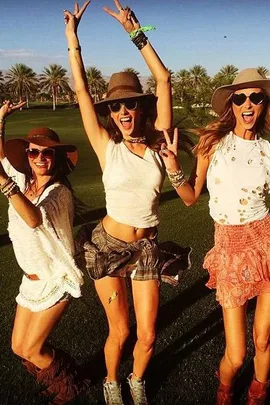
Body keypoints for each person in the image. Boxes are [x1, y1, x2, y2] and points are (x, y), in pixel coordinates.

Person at [63, 1, 187, 404]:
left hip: (146, 248)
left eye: (130, 103)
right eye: (115, 106)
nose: (123, 111)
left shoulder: (157, 143)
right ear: (110, 113)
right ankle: (112, 382)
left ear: (142, 106)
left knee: (148, 336)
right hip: (108, 247)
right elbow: (81, 90)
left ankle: (136, 378)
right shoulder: (105, 146)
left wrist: (135, 32)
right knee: (121, 331)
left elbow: (164, 78)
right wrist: (72, 40)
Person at [160, 68, 270, 404]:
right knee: (236, 355)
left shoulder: (268, 150)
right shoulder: (213, 145)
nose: (248, 104)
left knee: (264, 338)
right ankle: (225, 389)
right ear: (232, 105)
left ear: (264, 104)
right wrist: (174, 170)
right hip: (231, 246)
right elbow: (192, 196)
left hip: (266, 242)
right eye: (240, 98)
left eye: (256, 97)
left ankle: (257, 392)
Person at [0, 101, 89, 404]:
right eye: (33, 152)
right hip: (31, 281)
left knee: (34, 349)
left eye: (47, 152)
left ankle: (69, 388)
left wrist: (3, 182)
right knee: (18, 347)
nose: (40, 157)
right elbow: (2, 156)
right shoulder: (25, 184)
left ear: (57, 157)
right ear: (26, 156)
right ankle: (65, 378)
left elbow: (34, 219)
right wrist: (0, 120)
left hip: (56, 279)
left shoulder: (58, 193)